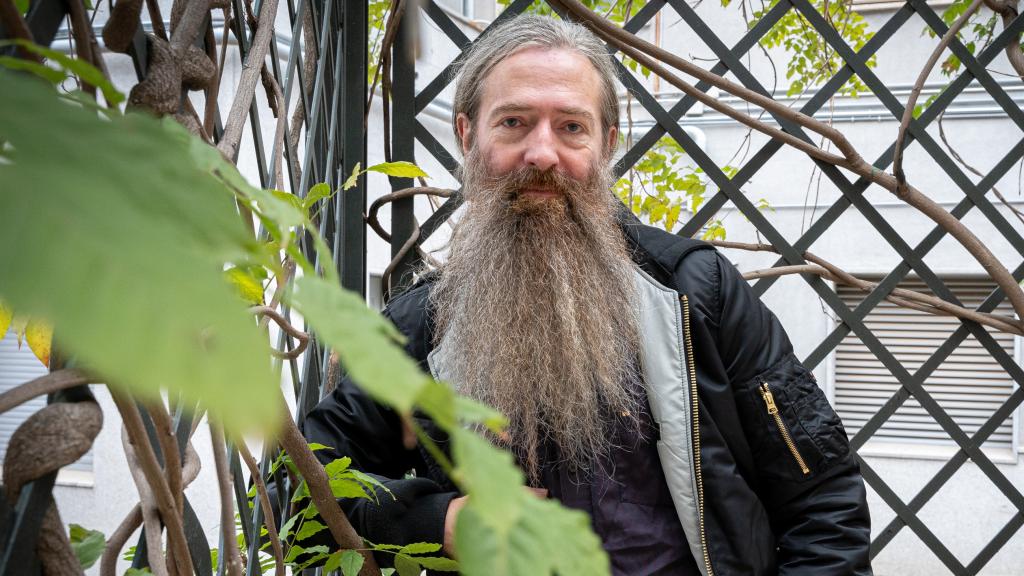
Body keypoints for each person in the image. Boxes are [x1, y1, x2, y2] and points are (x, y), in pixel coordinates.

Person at [303, 14, 872, 576]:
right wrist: (433, 520)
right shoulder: (425, 328)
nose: (542, 154)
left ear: (606, 144)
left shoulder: (696, 294)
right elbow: (302, 483)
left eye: (571, 127)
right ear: (467, 134)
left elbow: (822, 502)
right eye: (514, 122)